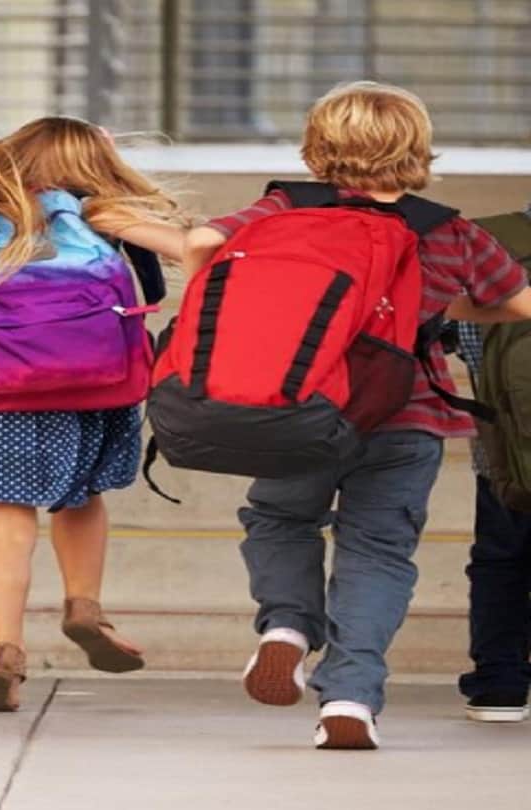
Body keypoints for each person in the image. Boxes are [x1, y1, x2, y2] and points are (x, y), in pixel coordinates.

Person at [181, 81, 531, 749]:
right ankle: (350, 698)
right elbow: (517, 304)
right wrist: (445, 311)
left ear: (319, 146)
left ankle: (286, 626)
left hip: (298, 410)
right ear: (417, 148)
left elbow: (200, 241)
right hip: (407, 415)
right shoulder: (448, 229)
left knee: (282, 518)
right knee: (378, 553)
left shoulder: (282, 208)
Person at [0, 117, 187, 711]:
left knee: (6, 527)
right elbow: (195, 250)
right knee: (82, 497)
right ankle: (84, 609)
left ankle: (1, 652)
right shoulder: (100, 214)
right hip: (90, 382)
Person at [455, 205, 531, 724]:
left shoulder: (487, 237)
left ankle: (500, 686)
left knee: (502, 559)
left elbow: (462, 338)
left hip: (507, 450)